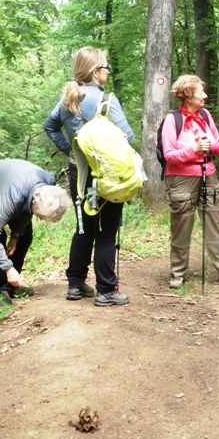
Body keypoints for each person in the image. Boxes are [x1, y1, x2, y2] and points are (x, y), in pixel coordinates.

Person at [44, 46, 135, 307]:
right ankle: (106, 290)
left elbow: (50, 126)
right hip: (106, 176)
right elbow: (128, 137)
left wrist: (70, 149)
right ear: (95, 71)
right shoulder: (106, 100)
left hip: (79, 173)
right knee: (106, 231)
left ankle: (75, 284)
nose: (108, 71)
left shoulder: (67, 99)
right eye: (106, 67)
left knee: (84, 226)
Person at [160, 75, 219, 289]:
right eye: (200, 92)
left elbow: (214, 145)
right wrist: (193, 150)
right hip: (180, 180)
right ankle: (177, 273)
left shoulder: (205, 115)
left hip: (208, 174)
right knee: (181, 226)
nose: (205, 96)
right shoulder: (172, 120)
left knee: (215, 222)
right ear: (187, 95)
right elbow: (168, 155)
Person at [0, 159, 70, 305]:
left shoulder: (48, 185)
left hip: (12, 185)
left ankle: (12, 285)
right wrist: (8, 268)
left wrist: (16, 235)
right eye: (40, 216)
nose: (40, 218)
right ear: (34, 202)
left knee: (25, 235)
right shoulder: (14, 195)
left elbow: (27, 210)